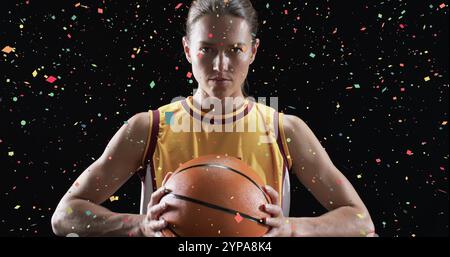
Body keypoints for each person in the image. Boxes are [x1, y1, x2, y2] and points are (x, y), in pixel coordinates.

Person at [51, 0, 375, 237]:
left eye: (235, 49)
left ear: (253, 51)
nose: (221, 65)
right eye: (207, 49)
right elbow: (65, 215)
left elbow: (360, 221)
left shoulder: (284, 130)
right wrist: (141, 224)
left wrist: (290, 227)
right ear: (188, 50)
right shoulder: (149, 127)